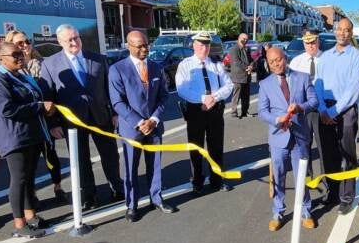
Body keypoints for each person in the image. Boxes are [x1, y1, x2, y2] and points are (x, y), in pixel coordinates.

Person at [39, 24, 123, 211]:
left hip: (101, 116)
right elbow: (47, 96)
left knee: (110, 155)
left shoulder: (99, 59)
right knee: (81, 159)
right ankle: (89, 195)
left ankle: (117, 187)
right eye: (68, 39)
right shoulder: (50, 64)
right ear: (60, 42)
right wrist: (53, 123)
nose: (74, 42)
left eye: (76, 37)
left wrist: (115, 113)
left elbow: (110, 89)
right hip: (72, 121)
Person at [0, 42, 53, 238]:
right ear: (1, 59)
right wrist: (40, 107)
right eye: (14, 54)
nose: (20, 56)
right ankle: (19, 223)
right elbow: (6, 109)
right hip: (15, 138)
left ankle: (31, 216)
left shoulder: (21, 76)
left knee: (29, 178)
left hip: (31, 135)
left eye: (21, 52)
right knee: (19, 180)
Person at [108, 30, 175, 222]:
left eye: (146, 44)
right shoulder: (118, 69)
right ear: (128, 46)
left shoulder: (156, 67)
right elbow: (117, 103)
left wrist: (154, 119)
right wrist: (139, 122)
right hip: (132, 129)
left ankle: (156, 198)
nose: (145, 49)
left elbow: (164, 96)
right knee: (131, 167)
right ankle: (131, 205)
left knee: (154, 164)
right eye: (140, 46)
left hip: (154, 127)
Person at [257, 46, 319, 231]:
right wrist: (277, 119)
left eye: (279, 60)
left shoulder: (302, 77)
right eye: (272, 62)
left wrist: (300, 108)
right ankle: (278, 212)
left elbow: (314, 101)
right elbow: (262, 112)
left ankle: (306, 211)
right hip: (278, 138)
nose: (276, 64)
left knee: (302, 176)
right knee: (279, 176)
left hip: (300, 136)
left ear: (285, 58)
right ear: (268, 64)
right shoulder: (265, 84)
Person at [5, 29, 65, 203]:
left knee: (51, 155)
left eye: (26, 42)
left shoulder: (43, 64)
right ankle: (32, 196)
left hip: (45, 121)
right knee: (28, 164)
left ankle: (58, 186)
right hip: (25, 124)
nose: (25, 46)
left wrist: (54, 122)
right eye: (19, 44)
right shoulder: (10, 72)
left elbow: (51, 95)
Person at [316, 17, 359, 214]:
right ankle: (333, 192)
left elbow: (354, 91)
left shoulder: (356, 57)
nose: (342, 33)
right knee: (329, 155)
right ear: (335, 30)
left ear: (351, 33)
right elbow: (317, 84)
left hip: (344, 111)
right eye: (340, 29)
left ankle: (346, 197)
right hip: (325, 110)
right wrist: (322, 108)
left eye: (347, 30)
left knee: (347, 155)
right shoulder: (325, 57)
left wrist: (333, 111)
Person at [174, 31, 234, 194]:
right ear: (194, 46)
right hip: (196, 111)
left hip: (215, 109)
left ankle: (217, 180)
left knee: (216, 147)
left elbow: (229, 85)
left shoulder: (215, 64)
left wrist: (214, 97)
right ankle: (197, 180)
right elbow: (182, 89)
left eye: (207, 45)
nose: (204, 48)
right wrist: (202, 99)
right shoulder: (185, 64)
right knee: (196, 147)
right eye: (201, 45)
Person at [289, 30, 326, 190]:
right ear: (304, 43)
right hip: (302, 109)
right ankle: (307, 179)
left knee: (323, 147)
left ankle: (325, 181)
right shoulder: (296, 62)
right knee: (304, 146)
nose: (311, 45)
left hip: (321, 110)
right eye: (307, 43)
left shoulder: (327, 60)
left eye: (313, 42)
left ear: (318, 42)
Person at [229, 33, 254, 118]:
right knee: (237, 96)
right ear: (239, 38)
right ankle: (234, 112)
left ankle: (245, 112)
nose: (245, 41)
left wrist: (251, 66)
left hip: (247, 76)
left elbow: (251, 59)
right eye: (243, 39)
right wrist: (248, 67)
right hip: (238, 76)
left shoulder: (247, 49)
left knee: (246, 96)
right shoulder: (234, 49)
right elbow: (236, 62)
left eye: (246, 39)